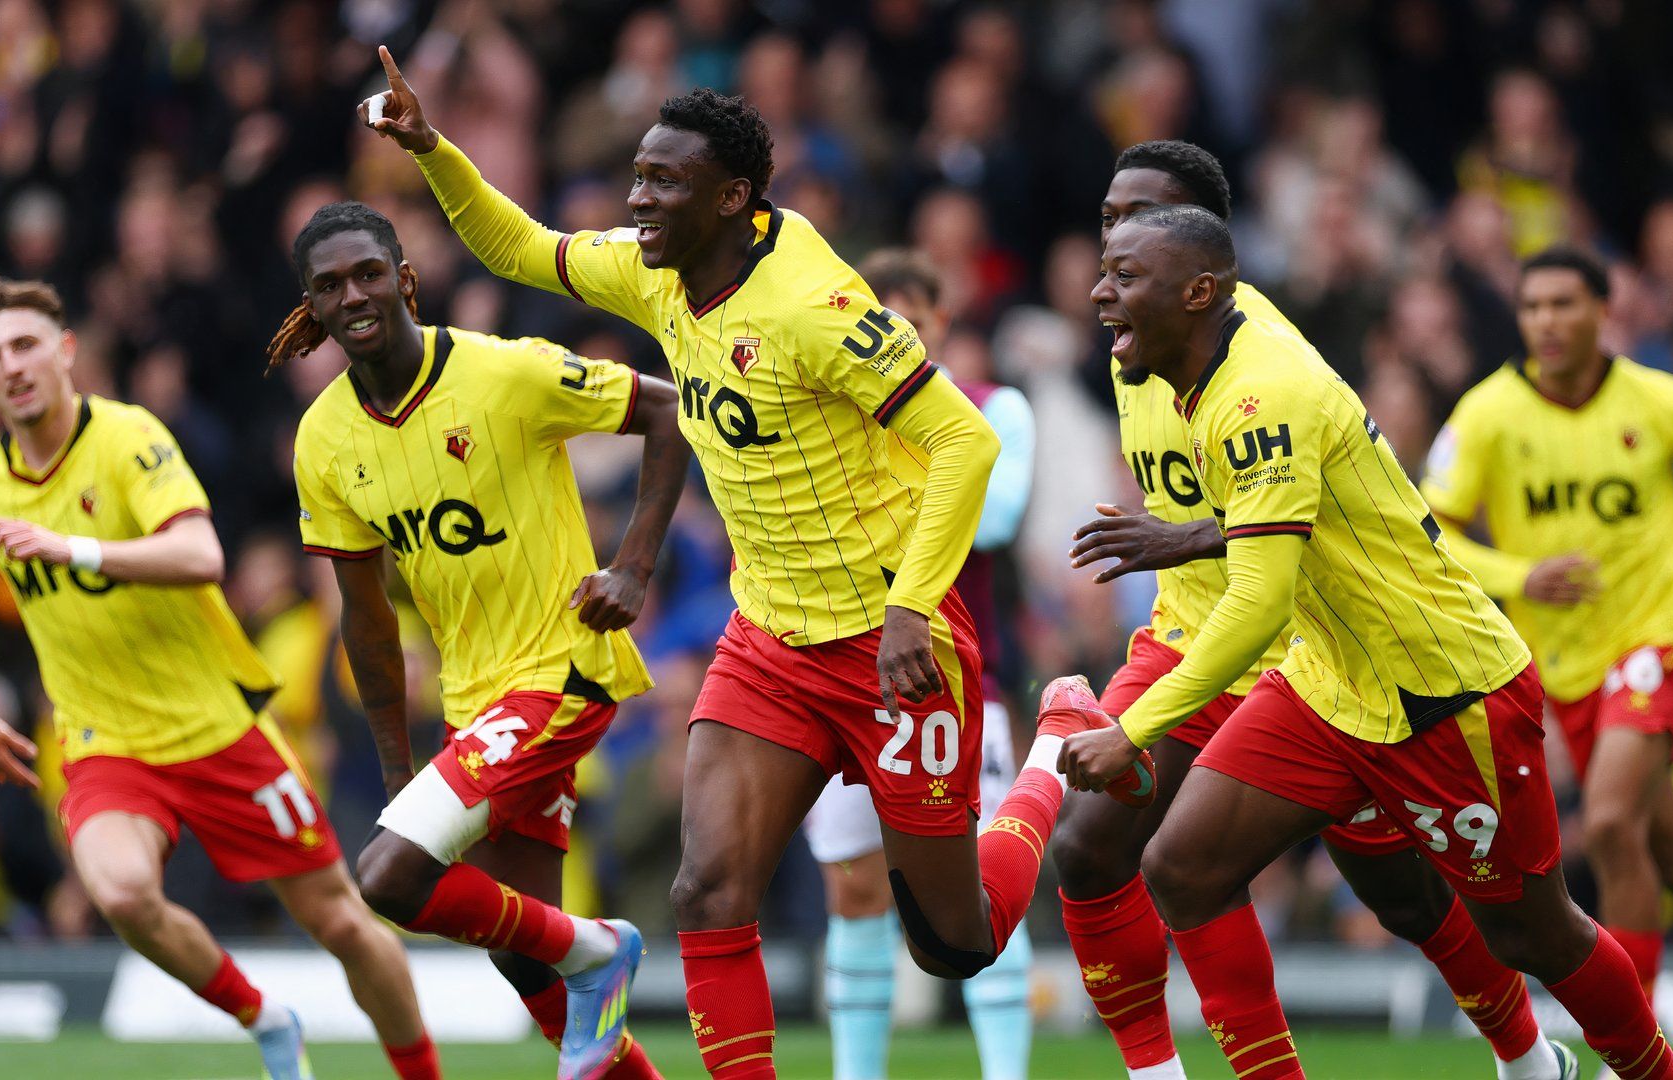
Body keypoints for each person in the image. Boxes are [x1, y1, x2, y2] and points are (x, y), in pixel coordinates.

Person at [359, 46, 1152, 1078]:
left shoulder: (812, 304)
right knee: (707, 891)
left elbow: (969, 441)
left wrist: (915, 608)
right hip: (769, 638)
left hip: (889, 643)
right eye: (638, 176)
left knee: (954, 941)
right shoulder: (660, 269)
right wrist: (433, 150)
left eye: (664, 182)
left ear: (733, 199)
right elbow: (522, 247)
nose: (638, 200)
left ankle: (1048, 756)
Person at [1065, 206, 1673, 1080]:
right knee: (1183, 867)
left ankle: (1663, 1078)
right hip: (1330, 680)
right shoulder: (1187, 367)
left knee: (1531, 928)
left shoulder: (1264, 395)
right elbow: (1287, 536)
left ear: (1198, 292)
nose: (1099, 293)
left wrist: (1133, 729)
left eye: (1125, 275)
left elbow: (1259, 603)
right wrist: (1194, 536)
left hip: (1445, 690)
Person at [0, 275, 436, 1080]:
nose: (12, 364)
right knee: (122, 893)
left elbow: (202, 555)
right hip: (107, 740)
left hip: (219, 730)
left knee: (342, 923)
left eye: (27, 344)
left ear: (65, 352)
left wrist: (76, 549)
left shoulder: (129, 439)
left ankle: (421, 1072)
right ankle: (265, 1017)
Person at [273, 201, 687, 1080]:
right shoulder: (323, 440)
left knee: (388, 877)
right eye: (329, 285)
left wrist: (634, 569)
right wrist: (397, 768)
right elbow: (369, 619)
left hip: (561, 670)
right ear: (309, 307)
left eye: (369, 273)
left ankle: (599, 947)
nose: (354, 295)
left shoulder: (505, 373)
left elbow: (664, 411)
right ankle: (586, 961)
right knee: (520, 951)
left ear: (405, 279)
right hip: (472, 701)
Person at [1420, 246, 1673, 1047]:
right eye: (1533, 308)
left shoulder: (1664, 400)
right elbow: (1432, 530)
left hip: (1658, 637)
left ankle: (1635, 1044)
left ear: (1604, 311)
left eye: (1565, 305)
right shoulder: (1486, 415)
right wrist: (1521, 575)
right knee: (1672, 852)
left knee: (1610, 826)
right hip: (1563, 664)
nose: (1548, 322)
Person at [799, 249, 1036, 1080]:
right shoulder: (830, 411)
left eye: (914, 315)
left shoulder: (994, 409)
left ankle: (1005, 1074)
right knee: (855, 892)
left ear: (940, 325)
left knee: (974, 885)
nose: (898, 327)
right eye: (882, 313)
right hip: (839, 681)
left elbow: (995, 516)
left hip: (960, 683)